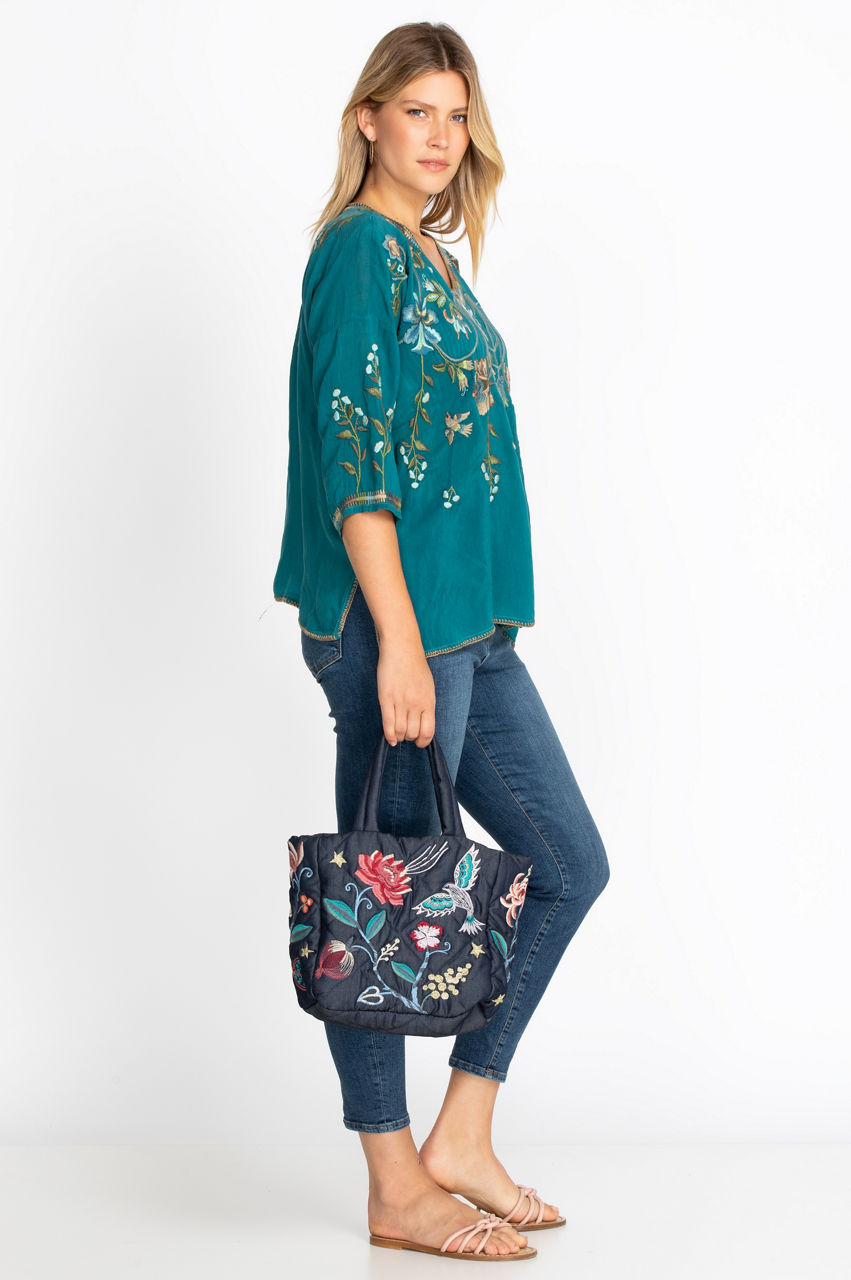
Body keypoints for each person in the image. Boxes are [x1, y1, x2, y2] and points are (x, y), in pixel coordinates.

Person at [272, 21, 610, 1261]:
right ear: (367, 117)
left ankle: (459, 1134)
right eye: (416, 110)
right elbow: (354, 467)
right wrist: (399, 644)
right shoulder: (358, 252)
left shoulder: (428, 257)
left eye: (455, 115)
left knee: (564, 861)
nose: (439, 135)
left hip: (471, 625)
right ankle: (392, 1182)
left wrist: (445, 635)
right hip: (398, 626)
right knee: (383, 891)